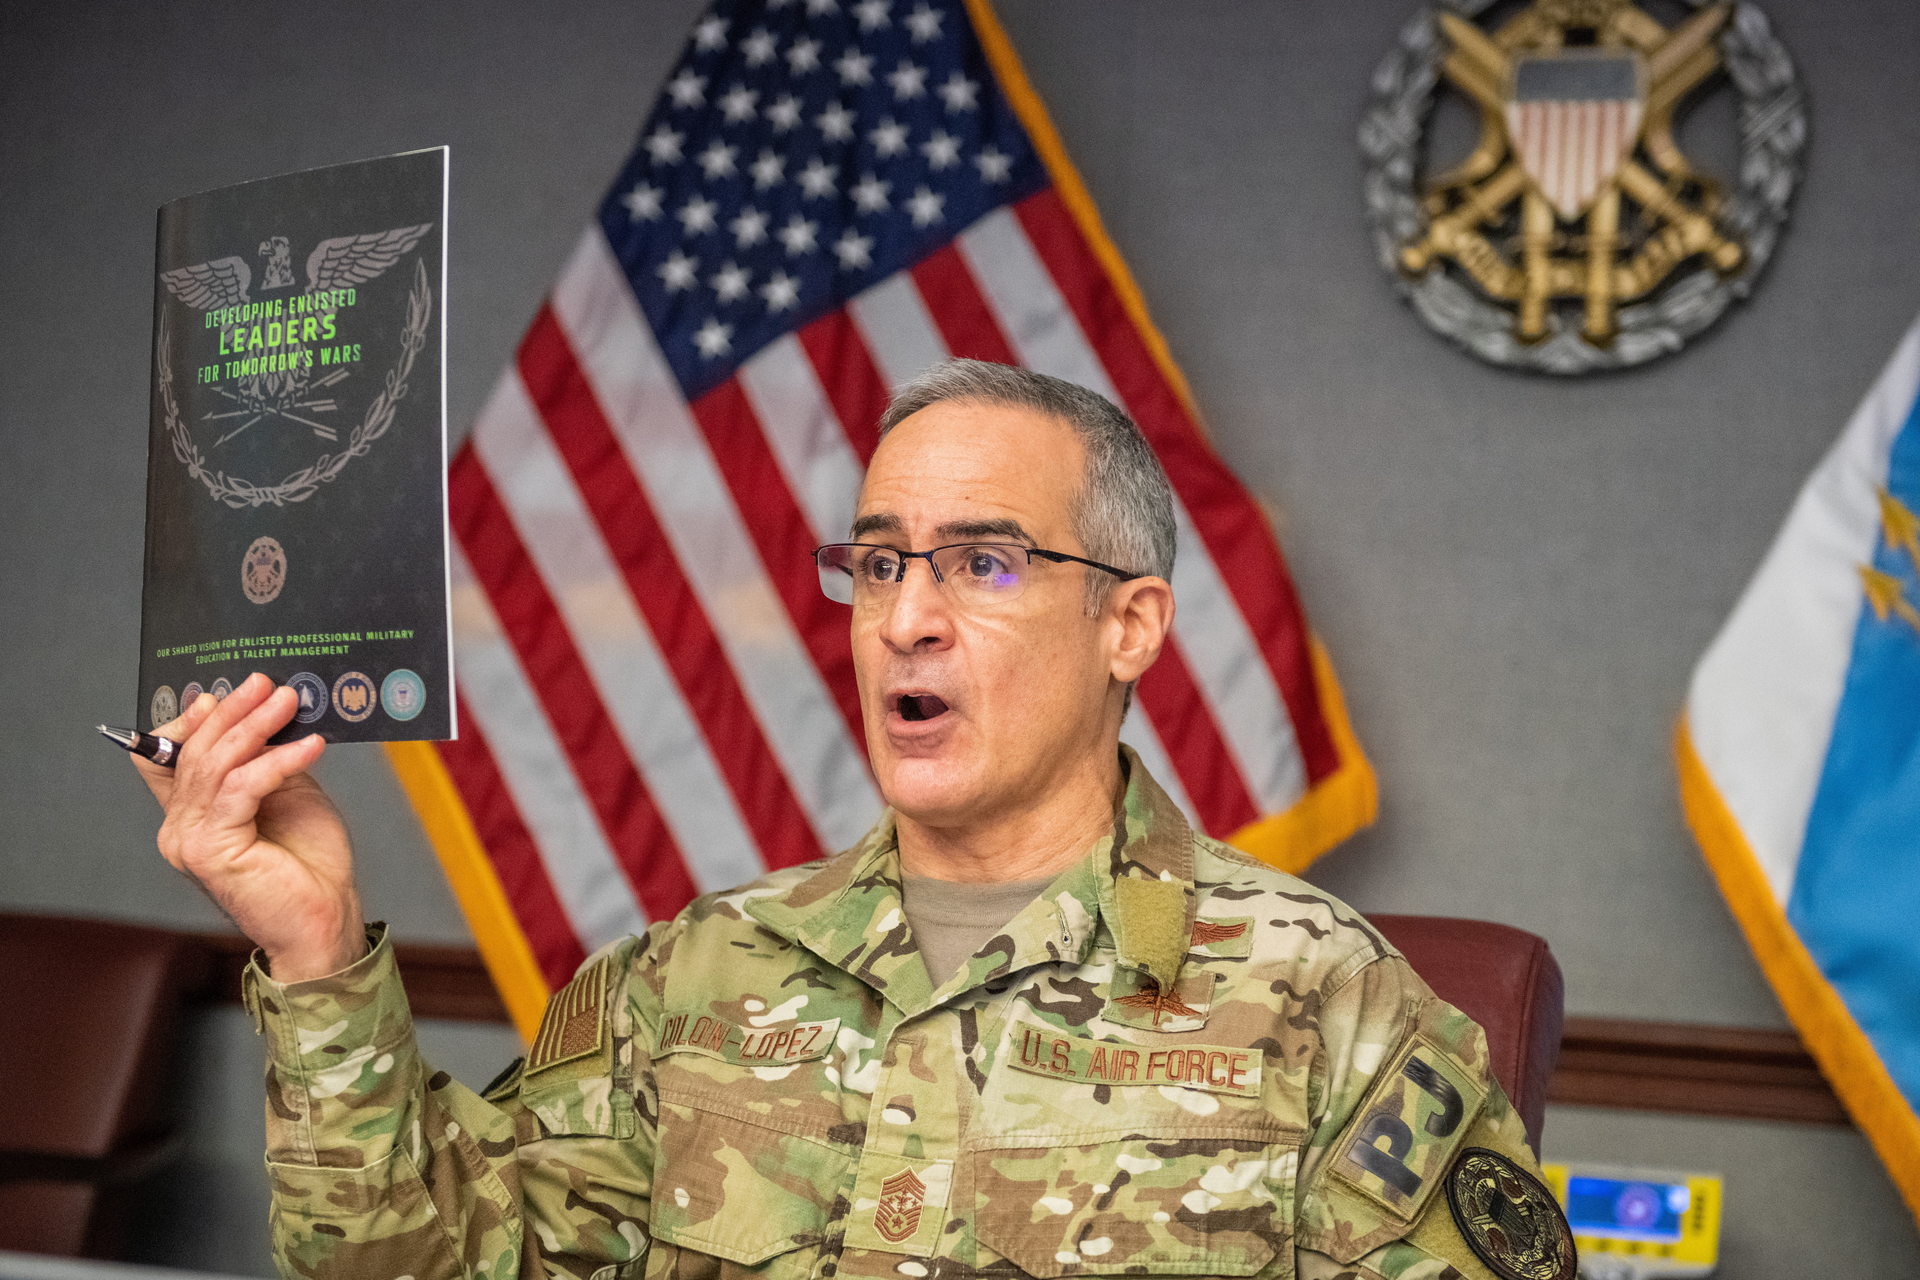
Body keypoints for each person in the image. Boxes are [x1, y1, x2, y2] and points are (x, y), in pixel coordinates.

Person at [137, 359, 1573, 1280]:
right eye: (877, 564)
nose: (909, 620)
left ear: (1129, 624)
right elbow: (425, 1265)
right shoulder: (694, 978)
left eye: (985, 565)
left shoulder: (1326, 1005)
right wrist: (316, 949)